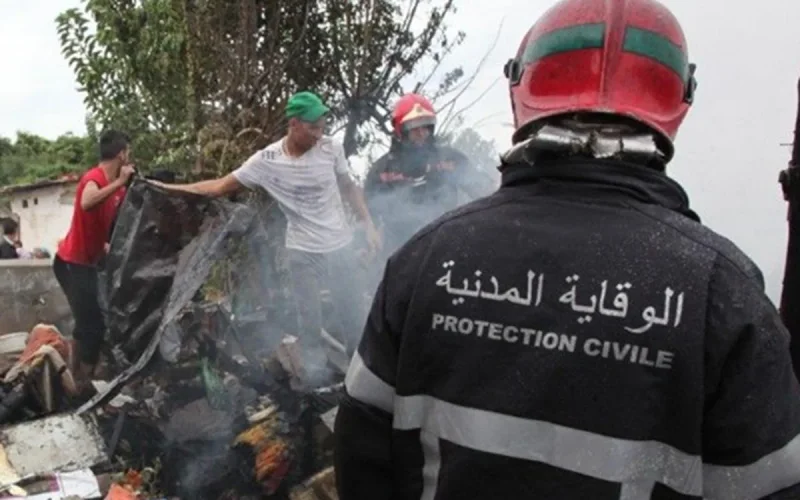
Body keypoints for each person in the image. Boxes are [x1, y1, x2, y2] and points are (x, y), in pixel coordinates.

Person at [334, 0, 800, 498]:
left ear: (522, 89)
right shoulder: (723, 293)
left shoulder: (425, 258)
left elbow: (361, 452)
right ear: (677, 102)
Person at [153, 91, 380, 384]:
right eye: (313, 128)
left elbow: (350, 187)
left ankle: (361, 381)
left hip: (340, 245)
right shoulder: (268, 160)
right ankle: (316, 385)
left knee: (353, 318)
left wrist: (369, 224)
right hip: (302, 250)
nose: (319, 134)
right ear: (294, 124)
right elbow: (219, 186)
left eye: (322, 127)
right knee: (310, 323)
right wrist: (166, 189)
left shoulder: (331, 148)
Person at [364, 93, 495, 258]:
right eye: (414, 127)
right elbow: (368, 214)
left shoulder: (450, 158)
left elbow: (482, 190)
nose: (421, 133)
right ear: (401, 130)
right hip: (400, 250)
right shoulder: (382, 170)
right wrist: (369, 242)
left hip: (447, 244)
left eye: (425, 126)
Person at [53, 130, 134, 382]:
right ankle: (82, 384)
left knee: (84, 322)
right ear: (122, 154)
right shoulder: (95, 178)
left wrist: (105, 245)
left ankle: (74, 376)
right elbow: (87, 202)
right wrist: (119, 182)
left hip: (85, 263)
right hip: (70, 263)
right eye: (128, 153)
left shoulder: (115, 191)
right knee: (93, 326)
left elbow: (102, 223)